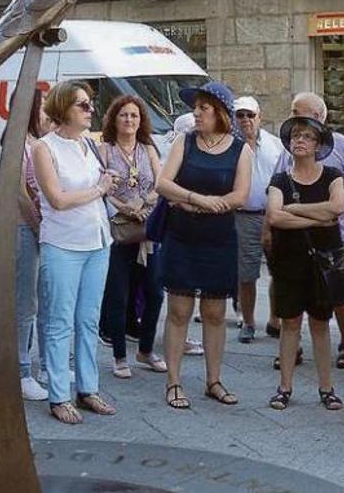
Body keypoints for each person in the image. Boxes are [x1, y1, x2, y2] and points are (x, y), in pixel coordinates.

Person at [155, 81, 254, 410]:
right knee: (179, 310)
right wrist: (196, 199)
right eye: (195, 107)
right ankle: (174, 382)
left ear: (220, 113)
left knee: (214, 312)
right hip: (182, 237)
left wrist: (213, 205)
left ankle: (214, 380)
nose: (195, 113)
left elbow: (241, 195)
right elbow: (163, 183)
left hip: (219, 238)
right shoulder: (185, 142)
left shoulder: (241, 150)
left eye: (203, 108)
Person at [32, 81, 117, 424]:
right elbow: (57, 199)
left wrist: (105, 185)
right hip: (63, 243)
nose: (90, 109)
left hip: (98, 240)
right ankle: (58, 394)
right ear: (63, 108)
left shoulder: (89, 144)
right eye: (82, 104)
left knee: (88, 320)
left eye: (90, 104)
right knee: (59, 321)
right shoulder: (43, 148)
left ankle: (88, 388)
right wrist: (99, 188)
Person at [266, 116, 344, 411]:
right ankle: (284, 387)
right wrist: (318, 216)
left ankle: (326, 388)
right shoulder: (280, 179)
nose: (299, 141)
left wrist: (296, 209)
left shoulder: (332, 176)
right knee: (290, 322)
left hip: (323, 260)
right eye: (295, 137)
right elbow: (275, 216)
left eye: (306, 137)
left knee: (320, 322)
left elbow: (338, 208)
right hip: (289, 259)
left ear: (318, 145)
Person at [97, 96, 167, 379]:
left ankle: (146, 349)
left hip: (147, 230)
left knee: (155, 292)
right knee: (118, 294)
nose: (129, 120)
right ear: (114, 119)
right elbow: (100, 186)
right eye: (124, 115)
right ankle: (119, 356)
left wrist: (142, 203)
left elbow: (160, 184)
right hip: (119, 230)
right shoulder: (104, 149)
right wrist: (125, 207)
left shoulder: (148, 149)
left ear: (141, 120)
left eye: (134, 116)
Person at [232, 96, 284, 344]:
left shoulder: (275, 145)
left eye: (249, 115)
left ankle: (275, 320)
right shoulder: (230, 146)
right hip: (243, 216)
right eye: (240, 115)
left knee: (278, 270)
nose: (245, 120)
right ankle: (249, 321)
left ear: (259, 116)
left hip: (273, 215)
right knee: (247, 273)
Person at [17, 89, 52, 401]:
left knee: (44, 300)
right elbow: (20, 193)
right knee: (26, 303)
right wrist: (39, 226)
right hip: (25, 228)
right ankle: (21, 370)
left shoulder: (37, 140)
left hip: (42, 227)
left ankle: (43, 367)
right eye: (43, 108)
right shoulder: (18, 143)